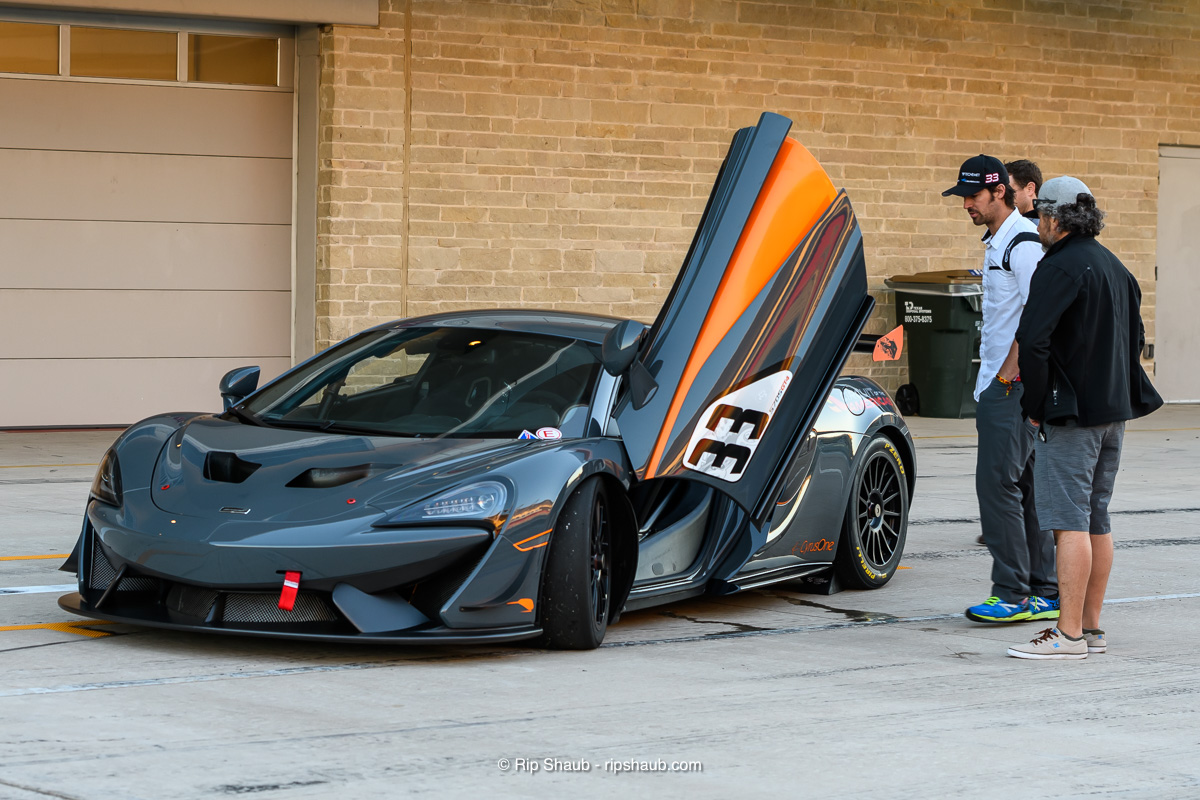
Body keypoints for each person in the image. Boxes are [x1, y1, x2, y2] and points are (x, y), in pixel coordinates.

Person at [1006, 177, 1162, 659]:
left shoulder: (1058, 267)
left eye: (1038, 219)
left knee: (1067, 522)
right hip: (1112, 413)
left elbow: (1033, 340)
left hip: (1070, 417)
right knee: (1096, 517)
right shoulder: (1116, 268)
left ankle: (1068, 633)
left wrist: (1034, 406)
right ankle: (1091, 628)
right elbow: (1135, 341)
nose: (1038, 228)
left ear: (1053, 218)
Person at [941, 155, 1059, 624]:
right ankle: (1043, 590)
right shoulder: (1000, 242)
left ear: (999, 193)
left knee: (997, 487)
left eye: (973, 195)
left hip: (1009, 387)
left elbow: (1039, 314)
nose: (966, 203)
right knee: (1024, 488)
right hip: (1004, 383)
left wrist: (1008, 375)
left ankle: (1011, 592)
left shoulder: (1021, 243)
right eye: (963, 196)